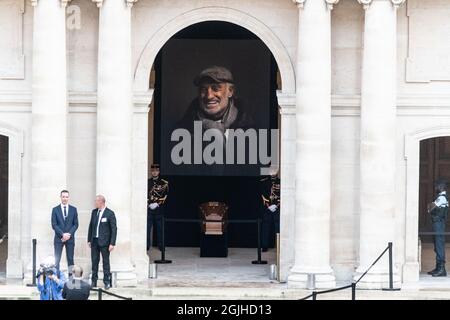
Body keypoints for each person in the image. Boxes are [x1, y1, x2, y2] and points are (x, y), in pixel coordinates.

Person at [177, 66, 254, 134]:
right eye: (203, 89)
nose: (209, 96)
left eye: (216, 88)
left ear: (230, 91)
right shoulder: (181, 130)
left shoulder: (251, 128)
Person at [87, 195, 117, 289]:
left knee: (105, 262)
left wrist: (112, 243)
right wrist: (89, 239)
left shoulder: (110, 213)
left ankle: (106, 282)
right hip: (94, 242)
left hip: (105, 243)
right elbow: (91, 226)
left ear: (102, 202)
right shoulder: (94, 212)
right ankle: (93, 282)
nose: (95, 203)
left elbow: (114, 229)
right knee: (94, 262)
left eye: (96, 201)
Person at [51, 190, 79, 272]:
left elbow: (76, 224)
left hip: (70, 239)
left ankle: (71, 281)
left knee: (70, 260)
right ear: (60, 197)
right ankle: (56, 280)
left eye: (66, 197)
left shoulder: (74, 209)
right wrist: (62, 234)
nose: (65, 198)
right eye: (63, 197)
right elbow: (54, 224)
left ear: (68, 197)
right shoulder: (55, 210)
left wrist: (69, 234)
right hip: (58, 239)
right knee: (57, 260)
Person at [427, 179, 449, 277]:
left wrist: (431, 206)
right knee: (437, 244)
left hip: (439, 223)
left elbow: (431, 207)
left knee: (439, 244)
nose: (435, 188)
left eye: (437, 186)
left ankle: (441, 269)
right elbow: (430, 207)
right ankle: (438, 267)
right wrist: (430, 206)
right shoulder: (440, 197)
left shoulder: (442, 198)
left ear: (441, 187)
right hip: (437, 223)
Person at [147, 164, 169, 252]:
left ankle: (161, 245)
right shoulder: (147, 182)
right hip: (149, 209)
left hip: (159, 208)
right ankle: (146, 246)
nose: (154, 172)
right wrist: (148, 203)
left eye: (156, 171)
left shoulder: (164, 183)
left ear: (159, 172)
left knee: (160, 229)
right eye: (153, 171)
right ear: (151, 172)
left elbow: (166, 195)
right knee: (147, 228)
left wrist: (157, 203)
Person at [259, 167, 280, 252]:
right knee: (265, 227)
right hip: (267, 208)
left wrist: (277, 205)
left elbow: (282, 194)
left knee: (278, 227)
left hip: (277, 208)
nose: (273, 171)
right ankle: (264, 246)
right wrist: (269, 205)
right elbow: (262, 195)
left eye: (274, 169)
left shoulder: (281, 182)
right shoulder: (263, 181)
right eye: (271, 169)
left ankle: (279, 246)